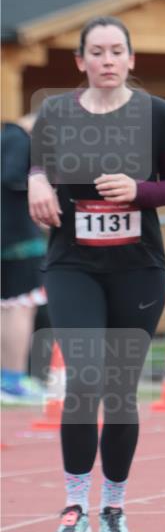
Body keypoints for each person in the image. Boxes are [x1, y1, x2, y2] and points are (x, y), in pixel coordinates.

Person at [28, 16, 165, 532]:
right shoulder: (55, 113)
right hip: (73, 264)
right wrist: (36, 184)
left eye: (116, 50)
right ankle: (74, 509)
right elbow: (36, 164)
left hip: (137, 268)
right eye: (95, 52)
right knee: (84, 379)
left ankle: (114, 508)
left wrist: (138, 191)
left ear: (130, 59)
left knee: (119, 391)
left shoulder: (156, 115)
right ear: (80, 62)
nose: (106, 60)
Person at [1, 113, 47, 402]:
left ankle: (7, 378)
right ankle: (14, 379)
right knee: (23, 306)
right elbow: (13, 177)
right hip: (20, 240)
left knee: (6, 307)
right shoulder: (20, 140)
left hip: (7, 238)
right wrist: (44, 192)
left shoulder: (5, 137)